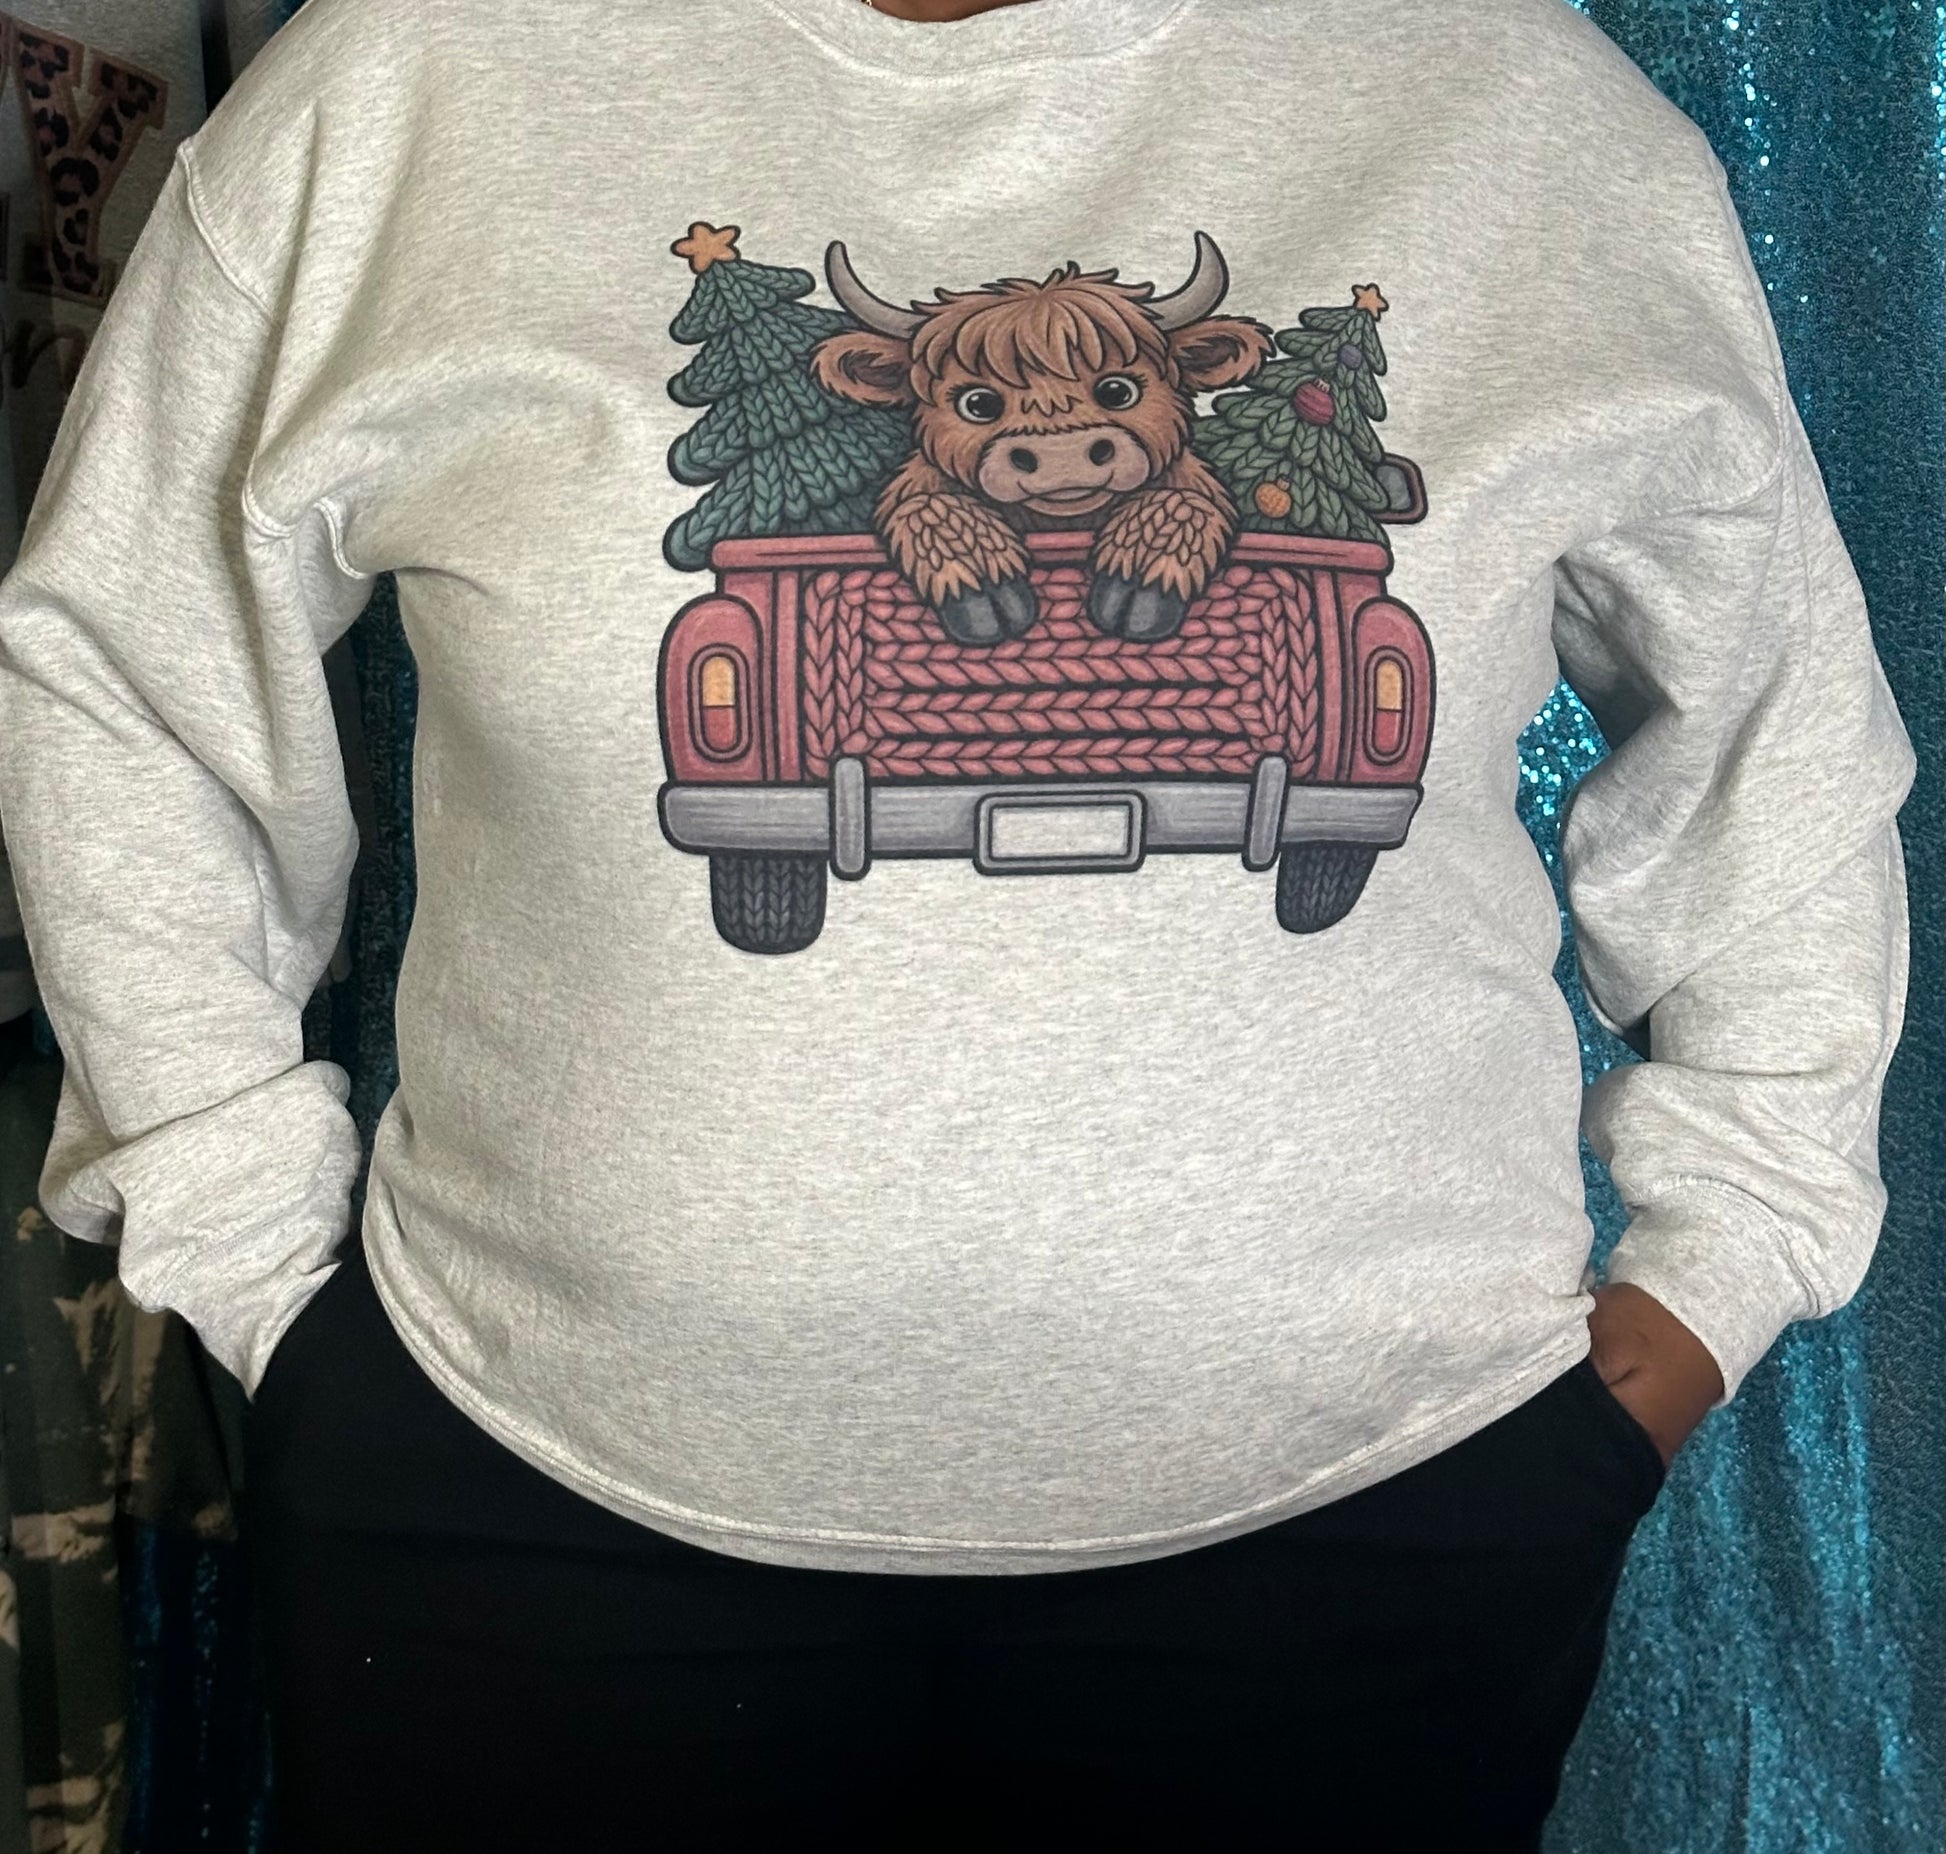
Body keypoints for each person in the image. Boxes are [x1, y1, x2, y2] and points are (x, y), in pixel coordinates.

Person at [0, 0, 1914, 1846]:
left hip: (1381, 1502)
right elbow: (126, 679)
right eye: (994, 409)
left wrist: (1723, 1260)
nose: (1053, 436)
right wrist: (255, 1262)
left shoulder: (1519, 106)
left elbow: (1775, 737)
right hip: (526, 1500)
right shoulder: (407, 78)